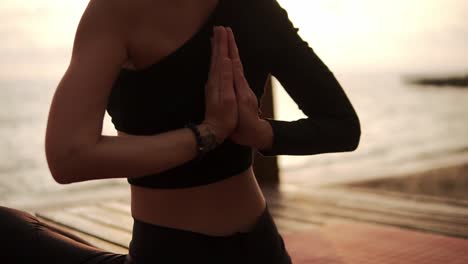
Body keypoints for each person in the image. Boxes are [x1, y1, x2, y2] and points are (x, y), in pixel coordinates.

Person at [0, 0, 360, 263]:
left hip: (171, 252)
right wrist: (223, 132)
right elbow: (342, 127)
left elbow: (68, 157)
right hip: (261, 247)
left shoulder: (116, 11)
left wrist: (238, 132)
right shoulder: (259, 8)